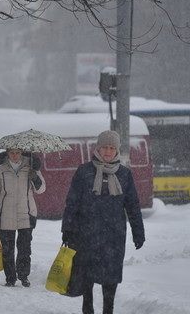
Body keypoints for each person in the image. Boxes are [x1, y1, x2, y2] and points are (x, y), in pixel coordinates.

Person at [61, 130, 145, 314]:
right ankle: (87, 308)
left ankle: (109, 310)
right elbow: (72, 201)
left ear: (117, 151)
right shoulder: (84, 172)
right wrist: (67, 228)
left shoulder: (124, 174)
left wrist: (139, 233)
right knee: (87, 276)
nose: (108, 151)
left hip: (114, 236)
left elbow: (133, 205)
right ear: (98, 148)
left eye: (112, 148)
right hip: (86, 234)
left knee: (111, 277)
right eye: (105, 147)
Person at [0, 149, 46, 287]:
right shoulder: (0, 169)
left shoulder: (31, 168)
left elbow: (41, 189)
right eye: (12, 153)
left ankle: (24, 276)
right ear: (7, 153)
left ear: (22, 153)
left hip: (26, 213)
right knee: (7, 249)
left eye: (17, 152)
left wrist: (35, 178)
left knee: (25, 248)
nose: (15, 155)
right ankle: (10, 278)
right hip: (5, 214)